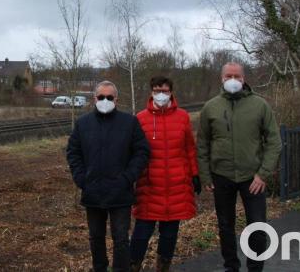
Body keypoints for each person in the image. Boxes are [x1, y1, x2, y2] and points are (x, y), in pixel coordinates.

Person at [197, 62, 282, 272]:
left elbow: (274, 142)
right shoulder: (211, 107)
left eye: (237, 76)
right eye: (228, 76)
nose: (232, 80)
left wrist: (262, 174)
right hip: (221, 177)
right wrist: (206, 177)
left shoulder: (260, 105)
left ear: (244, 79)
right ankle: (231, 267)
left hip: (252, 178)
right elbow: (202, 144)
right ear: (222, 78)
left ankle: (255, 268)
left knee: (257, 227)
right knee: (225, 226)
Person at [66, 80, 150, 272]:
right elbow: (73, 152)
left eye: (109, 97)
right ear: (94, 99)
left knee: (121, 239)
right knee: (96, 237)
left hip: (120, 192)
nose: (105, 100)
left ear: (116, 99)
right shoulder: (83, 124)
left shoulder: (129, 122)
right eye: (101, 97)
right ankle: (99, 268)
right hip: (93, 191)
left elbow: (142, 152)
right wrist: (81, 179)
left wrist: (128, 177)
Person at [130, 76, 201, 272]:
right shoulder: (140, 118)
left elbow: (190, 149)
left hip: (177, 185)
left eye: (165, 90)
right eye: (157, 90)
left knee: (169, 234)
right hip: (149, 186)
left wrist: (195, 174)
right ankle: (133, 265)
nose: (161, 94)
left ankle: (163, 266)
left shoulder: (183, 117)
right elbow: (134, 152)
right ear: (151, 92)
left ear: (171, 92)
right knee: (141, 233)